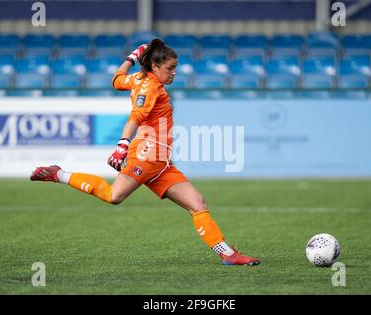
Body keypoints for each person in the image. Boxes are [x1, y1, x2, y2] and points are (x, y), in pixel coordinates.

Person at [30, 39, 260, 266]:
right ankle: (58, 174)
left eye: (175, 68)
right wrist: (122, 144)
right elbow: (136, 116)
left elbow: (117, 80)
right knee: (114, 196)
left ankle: (227, 254)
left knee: (197, 204)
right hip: (146, 154)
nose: (174, 73)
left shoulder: (138, 79)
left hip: (161, 163)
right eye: (170, 69)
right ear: (154, 67)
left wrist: (131, 58)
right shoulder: (150, 87)